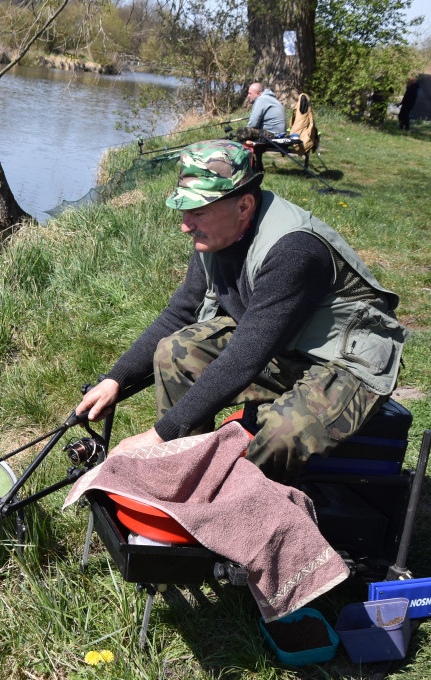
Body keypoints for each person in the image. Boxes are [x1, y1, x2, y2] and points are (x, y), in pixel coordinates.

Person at [75, 140, 409, 482]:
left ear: (244, 206)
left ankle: (236, 501)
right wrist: (117, 378)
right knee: (176, 351)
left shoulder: (294, 250)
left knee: (281, 435)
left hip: (343, 360)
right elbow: (182, 312)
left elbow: (246, 357)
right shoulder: (218, 235)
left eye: (198, 211)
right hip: (282, 343)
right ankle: (186, 474)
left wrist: (159, 434)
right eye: (183, 211)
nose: (185, 225)